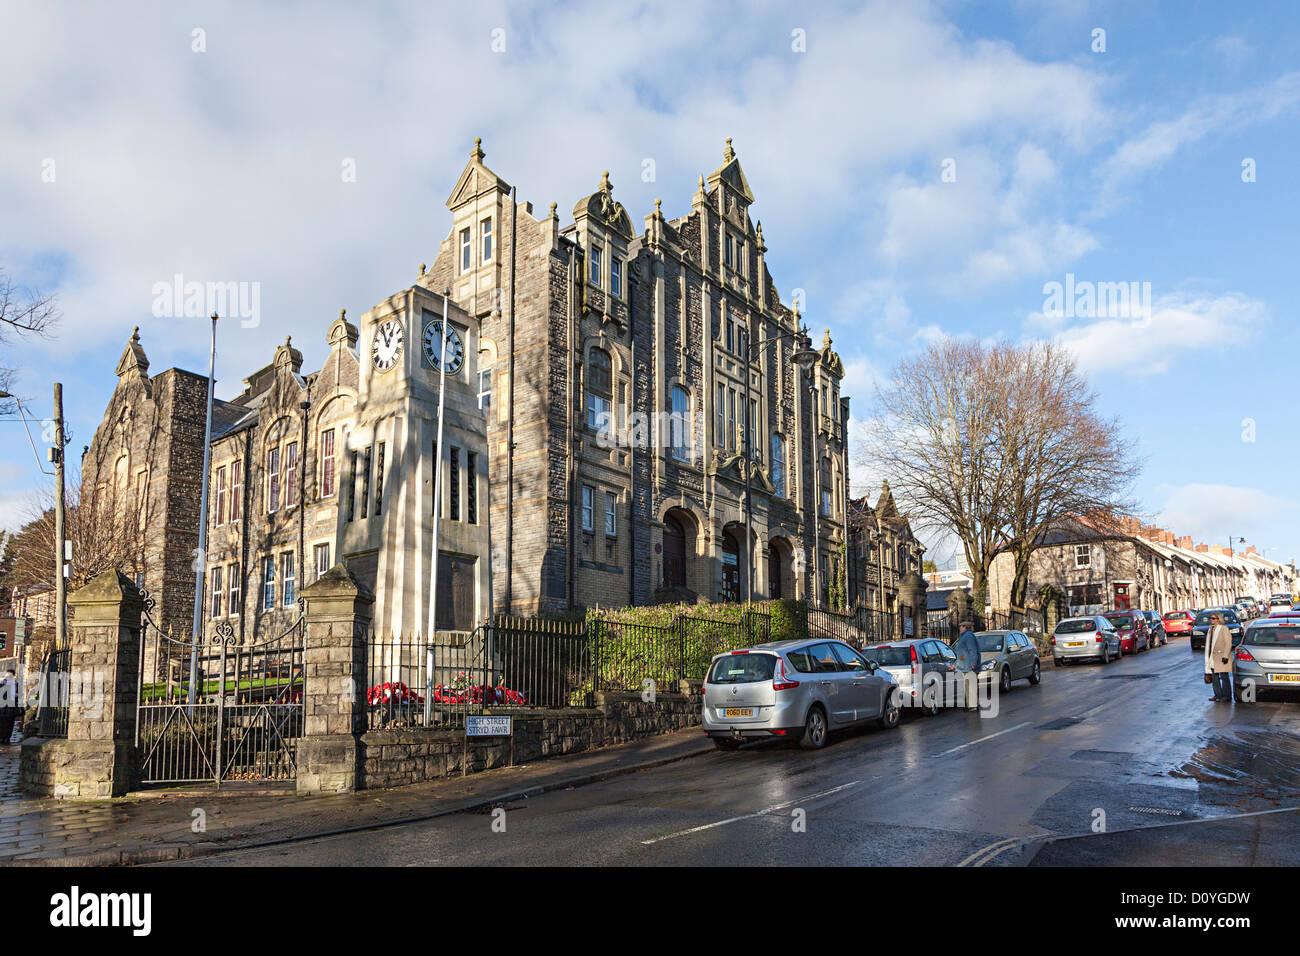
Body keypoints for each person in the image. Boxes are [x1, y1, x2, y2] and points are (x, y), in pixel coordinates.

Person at [952, 621, 982, 710]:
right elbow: (962, 654)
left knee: (971, 686)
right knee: (968, 686)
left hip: (969, 666)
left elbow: (972, 650)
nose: (959, 628)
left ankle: (973, 706)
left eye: (961, 626)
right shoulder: (965, 636)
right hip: (965, 666)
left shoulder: (968, 636)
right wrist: (956, 664)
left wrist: (973, 663)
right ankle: (971, 705)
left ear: (965, 627)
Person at [1205, 612, 1234, 703]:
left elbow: (1228, 642)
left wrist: (1225, 656)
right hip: (1212, 656)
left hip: (1221, 656)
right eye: (1211, 618)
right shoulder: (1211, 629)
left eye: (1213, 618)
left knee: (1224, 677)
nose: (1211, 620)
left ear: (1218, 619)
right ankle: (1217, 695)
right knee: (1214, 677)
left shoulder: (1224, 628)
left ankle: (1227, 696)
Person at [0, 670, 20, 745]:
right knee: (2, 722)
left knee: (10, 722)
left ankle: (7, 738)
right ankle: (1, 738)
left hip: (12, 706)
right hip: (2, 706)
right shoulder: (2, 683)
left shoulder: (16, 684)